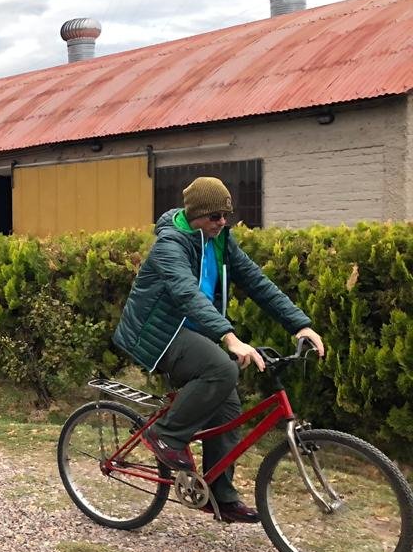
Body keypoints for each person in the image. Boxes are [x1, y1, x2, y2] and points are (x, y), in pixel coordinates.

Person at [112, 176, 324, 523]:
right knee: (221, 369)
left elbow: (257, 282)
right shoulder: (171, 244)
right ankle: (165, 436)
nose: (222, 222)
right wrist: (228, 337)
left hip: (195, 331)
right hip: (158, 334)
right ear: (195, 215)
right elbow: (185, 292)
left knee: (228, 405)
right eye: (214, 216)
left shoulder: (221, 240)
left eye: (226, 215)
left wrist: (298, 323)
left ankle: (220, 497)